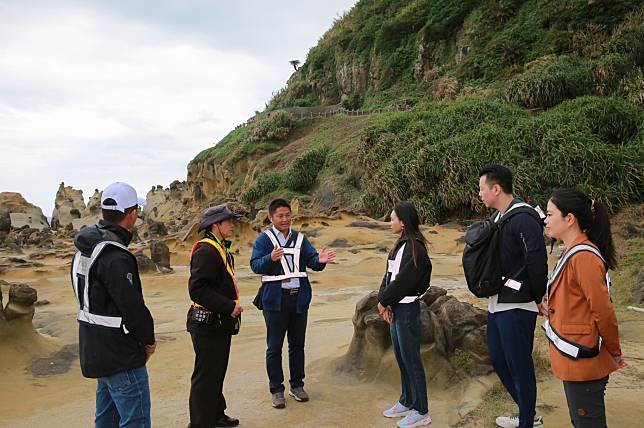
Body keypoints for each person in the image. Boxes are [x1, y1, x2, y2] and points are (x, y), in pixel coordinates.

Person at [71, 182, 156, 428]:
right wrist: (147, 340)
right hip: (121, 355)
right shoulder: (115, 255)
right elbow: (132, 307)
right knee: (135, 421)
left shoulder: (85, 249)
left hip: (95, 348)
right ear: (131, 215)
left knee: (105, 420)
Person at [541, 188, 626, 427]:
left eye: (550, 214)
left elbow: (603, 311)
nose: (545, 220)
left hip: (583, 359)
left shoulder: (584, 257)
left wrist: (614, 351)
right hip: (573, 356)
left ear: (570, 219)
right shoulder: (571, 251)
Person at [478, 165, 548, 428]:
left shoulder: (524, 217)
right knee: (498, 358)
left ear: (496, 189)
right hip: (497, 302)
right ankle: (527, 413)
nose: (480, 194)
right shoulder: (498, 218)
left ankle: (527, 422)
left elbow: (537, 261)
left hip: (519, 304)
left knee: (520, 365)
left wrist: (539, 295)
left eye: (482, 189)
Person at [250, 198, 336, 409]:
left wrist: (321, 261)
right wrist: (270, 258)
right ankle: (276, 389)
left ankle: (297, 385)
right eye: (280, 216)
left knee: (297, 345)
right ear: (271, 217)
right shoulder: (264, 240)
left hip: (298, 299)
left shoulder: (300, 239)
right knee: (274, 347)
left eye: (288, 215)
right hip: (275, 300)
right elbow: (255, 265)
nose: (285, 219)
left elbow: (312, 261)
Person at [187, 204, 243, 428]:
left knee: (216, 372)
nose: (232, 224)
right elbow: (197, 289)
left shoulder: (219, 247)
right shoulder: (207, 250)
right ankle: (200, 424)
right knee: (205, 377)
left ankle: (216, 415)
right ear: (215, 225)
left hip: (217, 323)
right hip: (207, 323)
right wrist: (229, 306)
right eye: (227, 221)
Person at [378, 202, 432, 428]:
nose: (390, 222)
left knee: (412, 359)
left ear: (403, 221)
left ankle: (421, 410)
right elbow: (388, 277)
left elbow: (404, 282)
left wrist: (384, 301)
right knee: (401, 357)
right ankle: (407, 400)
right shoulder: (399, 246)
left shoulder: (415, 247)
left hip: (408, 309)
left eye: (392, 219)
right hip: (395, 308)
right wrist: (384, 301)